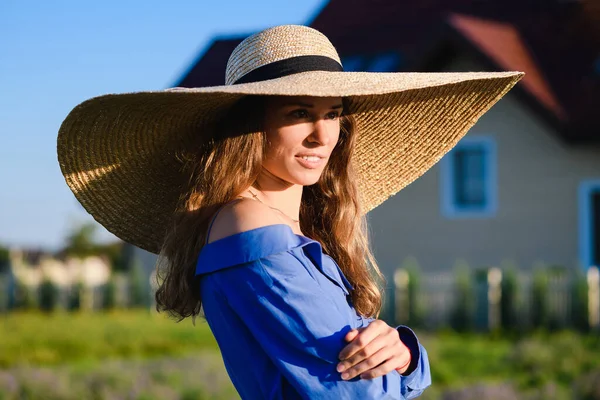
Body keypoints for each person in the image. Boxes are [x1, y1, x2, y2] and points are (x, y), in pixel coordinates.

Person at [57, 24, 523, 399]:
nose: (322, 136)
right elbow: (357, 391)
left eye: (334, 112)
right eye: (299, 112)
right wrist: (402, 366)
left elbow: (372, 371)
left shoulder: (283, 230)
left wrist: (401, 352)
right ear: (251, 124)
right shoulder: (252, 228)